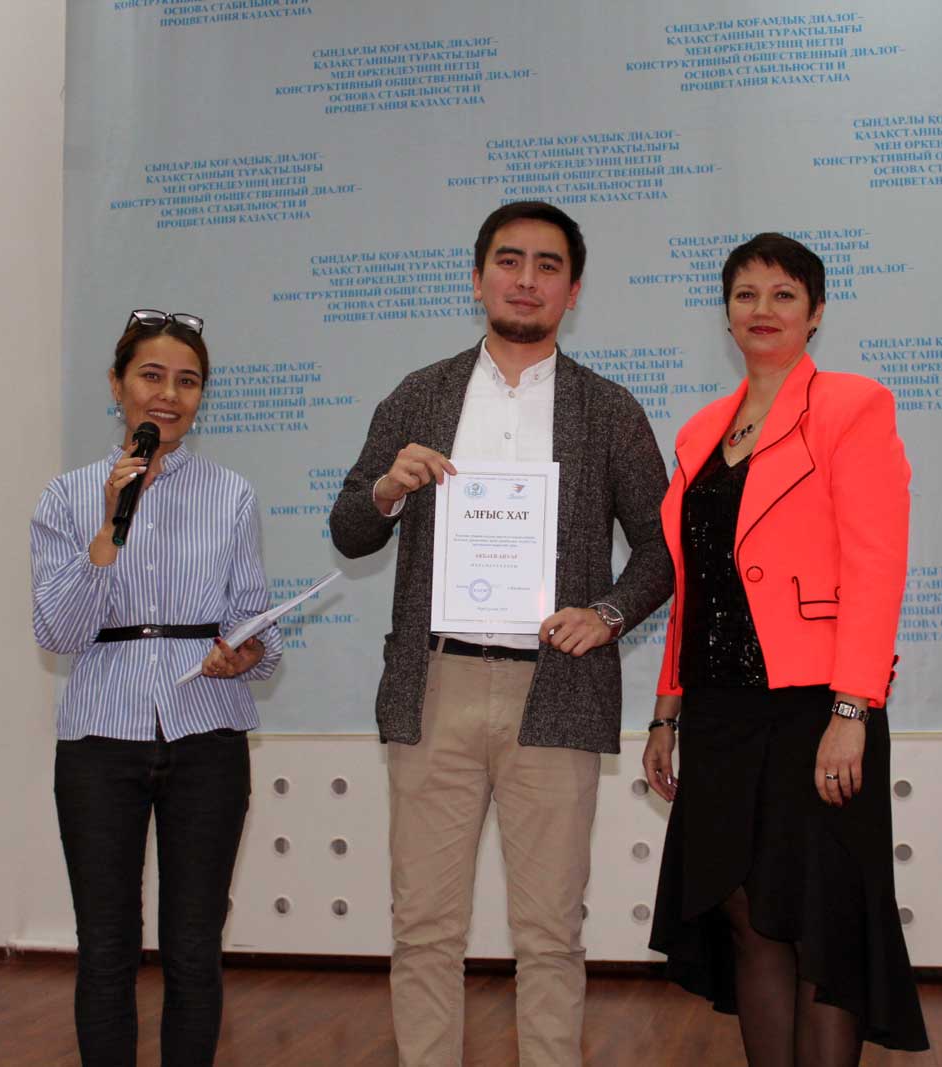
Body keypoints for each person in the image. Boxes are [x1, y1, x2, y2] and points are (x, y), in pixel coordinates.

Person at [329, 201, 672, 1067]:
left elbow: (663, 550)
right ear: (477, 277)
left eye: (548, 265)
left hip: (554, 690)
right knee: (424, 927)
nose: (527, 279)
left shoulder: (608, 408)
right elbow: (349, 527)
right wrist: (386, 490)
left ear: (573, 290)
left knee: (550, 932)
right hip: (436, 684)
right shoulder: (421, 394)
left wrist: (607, 614)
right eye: (509, 261)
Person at [643, 234, 929, 1065]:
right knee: (745, 913)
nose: (762, 310)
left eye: (783, 295)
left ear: (816, 312)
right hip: (720, 709)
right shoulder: (700, 430)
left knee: (819, 922)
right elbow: (696, 582)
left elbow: (876, 566)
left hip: (816, 706)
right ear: (726, 312)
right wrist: (666, 710)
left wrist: (853, 708)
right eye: (745, 295)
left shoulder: (852, 405)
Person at [31, 309, 283, 1067]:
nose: (169, 395)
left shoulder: (231, 494)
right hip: (99, 740)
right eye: (151, 376)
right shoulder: (67, 496)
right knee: (106, 946)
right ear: (117, 386)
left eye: (188, 381)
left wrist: (246, 652)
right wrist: (110, 525)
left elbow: (254, 622)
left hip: (208, 734)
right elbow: (59, 631)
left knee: (194, 947)